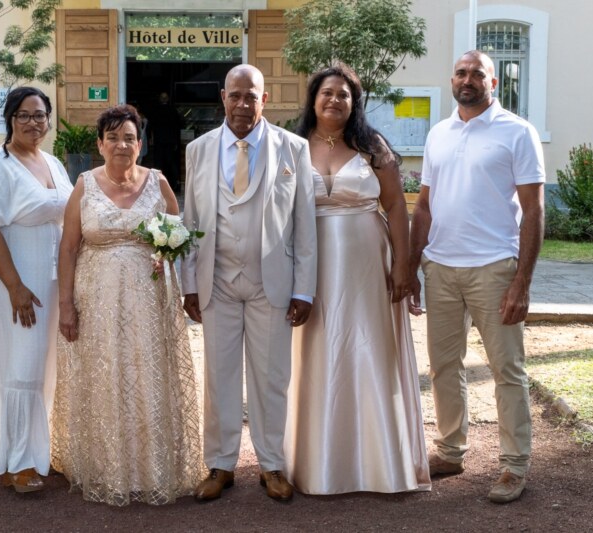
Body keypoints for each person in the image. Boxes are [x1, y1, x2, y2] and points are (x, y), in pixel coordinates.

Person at [283, 64, 431, 495]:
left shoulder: (372, 146)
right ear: (313, 99)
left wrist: (403, 266)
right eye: (327, 93)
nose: (334, 100)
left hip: (368, 256)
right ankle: (315, 461)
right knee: (314, 349)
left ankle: (380, 459)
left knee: (369, 347)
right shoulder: (292, 147)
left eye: (343, 95)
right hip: (312, 264)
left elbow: (397, 207)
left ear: (355, 102)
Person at [408, 50, 545, 504]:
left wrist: (521, 282)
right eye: (461, 73)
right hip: (441, 269)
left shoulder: (518, 132)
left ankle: (514, 465)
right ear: (453, 80)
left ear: (493, 83)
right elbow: (424, 206)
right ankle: (450, 450)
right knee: (444, 367)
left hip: (494, 270)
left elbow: (533, 210)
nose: (467, 80)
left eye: (477, 74)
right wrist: (412, 266)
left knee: (507, 369)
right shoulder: (439, 133)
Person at [53, 104, 202, 506]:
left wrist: (166, 254)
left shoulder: (158, 182)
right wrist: (66, 305)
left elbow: (176, 236)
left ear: (141, 143)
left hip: (149, 299)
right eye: (113, 137)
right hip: (97, 297)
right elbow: (68, 248)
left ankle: (151, 466)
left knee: (146, 374)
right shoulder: (83, 184)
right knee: (106, 374)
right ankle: (106, 467)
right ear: (100, 144)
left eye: (130, 137)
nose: (122, 144)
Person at [181, 64, 317, 502]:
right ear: (223, 97)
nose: (242, 104)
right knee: (218, 376)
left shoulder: (293, 148)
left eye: (251, 96)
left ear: (265, 98)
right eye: (235, 95)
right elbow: (191, 220)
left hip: (271, 283)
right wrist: (189, 283)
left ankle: (272, 464)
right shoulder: (199, 149)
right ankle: (220, 465)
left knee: (271, 377)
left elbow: (305, 226)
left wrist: (304, 288)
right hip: (216, 280)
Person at [0, 87, 73, 492]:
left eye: (40, 115)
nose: (33, 123)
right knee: (21, 367)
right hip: (18, 282)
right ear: (10, 118)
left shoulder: (53, 163)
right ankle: (17, 462)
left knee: (45, 368)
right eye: (24, 115)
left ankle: (39, 452)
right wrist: (15, 286)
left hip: (53, 279)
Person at [147, 92, 182, 192]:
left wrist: (150, 138)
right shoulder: (173, 110)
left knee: (159, 163)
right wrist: (176, 141)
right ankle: (175, 183)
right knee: (171, 162)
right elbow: (178, 126)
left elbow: (151, 126)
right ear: (168, 99)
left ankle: (158, 186)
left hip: (159, 141)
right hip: (171, 141)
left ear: (160, 99)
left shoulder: (155, 111)